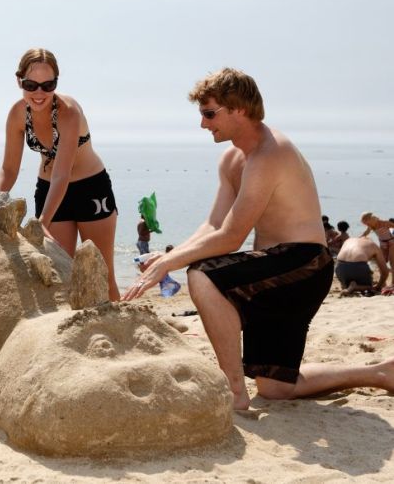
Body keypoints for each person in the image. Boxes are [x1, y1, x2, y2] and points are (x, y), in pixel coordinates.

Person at [123, 67, 394, 409]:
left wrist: (170, 263)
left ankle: (233, 391)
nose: (204, 124)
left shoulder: (270, 153)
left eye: (209, 114)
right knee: (276, 389)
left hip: (303, 266)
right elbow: (214, 224)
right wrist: (166, 258)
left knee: (202, 276)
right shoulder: (233, 159)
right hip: (272, 273)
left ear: (239, 109)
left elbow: (233, 237)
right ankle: (379, 373)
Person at [0, 48, 120, 301]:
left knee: (103, 277)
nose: (39, 93)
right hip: (50, 191)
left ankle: (122, 334)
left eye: (48, 85)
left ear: (56, 83)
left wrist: (40, 223)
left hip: (90, 189)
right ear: (19, 81)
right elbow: (9, 170)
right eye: (31, 85)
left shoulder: (69, 112)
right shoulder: (18, 114)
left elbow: (63, 173)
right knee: (64, 274)